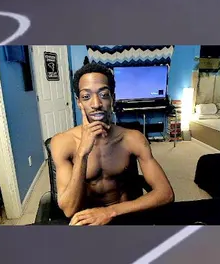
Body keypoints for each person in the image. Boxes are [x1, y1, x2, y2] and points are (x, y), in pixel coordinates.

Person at [49, 63, 175, 225]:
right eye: (86, 97)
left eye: (103, 94)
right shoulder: (62, 142)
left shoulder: (133, 138)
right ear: (79, 102)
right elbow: (69, 209)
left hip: (124, 217)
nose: (96, 104)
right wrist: (82, 154)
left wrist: (109, 212)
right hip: (87, 222)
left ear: (112, 98)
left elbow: (166, 194)